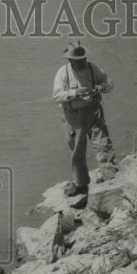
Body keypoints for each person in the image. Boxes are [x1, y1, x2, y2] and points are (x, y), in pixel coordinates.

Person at [52, 42, 116, 209]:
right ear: (70, 60)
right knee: (77, 151)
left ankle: (112, 179)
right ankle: (81, 185)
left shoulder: (93, 68)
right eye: (77, 60)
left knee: (104, 145)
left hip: (94, 113)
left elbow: (110, 84)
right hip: (73, 117)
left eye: (83, 59)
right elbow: (57, 95)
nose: (81, 62)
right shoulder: (62, 73)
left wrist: (102, 87)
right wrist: (74, 93)